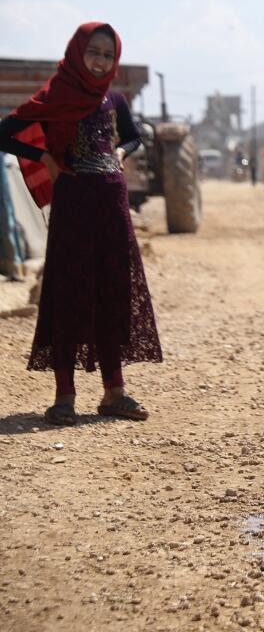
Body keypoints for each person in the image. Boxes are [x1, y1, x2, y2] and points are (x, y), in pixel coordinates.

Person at [0, 22, 162, 425]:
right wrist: (46, 160)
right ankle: (64, 397)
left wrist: (122, 154)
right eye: (95, 52)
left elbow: (133, 137)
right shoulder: (55, 97)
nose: (100, 61)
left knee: (112, 291)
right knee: (69, 292)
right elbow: (6, 132)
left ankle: (114, 393)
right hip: (73, 205)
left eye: (108, 55)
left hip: (111, 204)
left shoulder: (115, 100)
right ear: (77, 51)